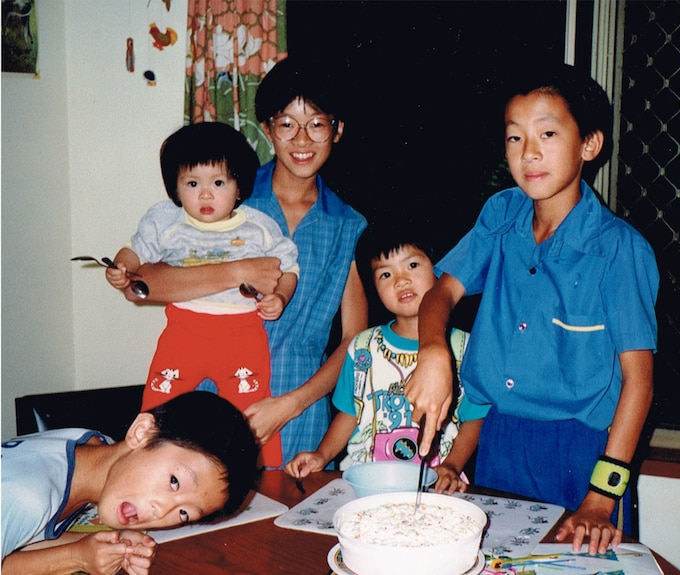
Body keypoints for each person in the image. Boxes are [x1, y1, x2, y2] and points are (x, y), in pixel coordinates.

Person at [405, 63, 659, 555]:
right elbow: (440, 292)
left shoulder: (619, 250)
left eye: (547, 133)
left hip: (582, 452)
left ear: (589, 144)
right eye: (515, 138)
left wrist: (601, 498)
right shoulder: (501, 215)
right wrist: (433, 351)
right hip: (499, 439)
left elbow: (639, 382)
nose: (530, 153)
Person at [116, 57, 368, 466]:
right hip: (214, 398)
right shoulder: (227, 195)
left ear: (337, 130)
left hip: (300, 413)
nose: (302, 139)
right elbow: (141, 285)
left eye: (317, 123)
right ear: (268, 130)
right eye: (287, 123)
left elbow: (354, 340)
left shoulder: (349, 226)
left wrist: (289, 405)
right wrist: (236, 271)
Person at [107, 122, 298, 468]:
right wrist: (120, 267)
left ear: (239, 187)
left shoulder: (258, 226)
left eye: (219, 183)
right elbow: (135, 251)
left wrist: (281, 297)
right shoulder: (167, 221)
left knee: (251, 409)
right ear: (176, 189)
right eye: (193, 183)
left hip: (241, 332)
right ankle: (140, 464)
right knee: (159, 402)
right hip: (184, 330)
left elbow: (289, 268)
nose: (206, 194)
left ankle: (264, 475)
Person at [284, 224, 487, 493]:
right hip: (364, 483)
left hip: (435, 485)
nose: (400, 280)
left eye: (412, 265)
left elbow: (474, 419)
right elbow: (349, 413)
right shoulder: (363, 348)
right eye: (386, 274)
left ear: (441, 270)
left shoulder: (464, 346)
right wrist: (322, 455)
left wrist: (451, 465)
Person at [1, 391, 260, 575]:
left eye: (184, 513)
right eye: (174, 481)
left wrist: (105, 542)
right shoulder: (26, 496)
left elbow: (23, 533)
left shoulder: (91, 446)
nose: (162, 511)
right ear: (142, 432)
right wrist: (74, 558)